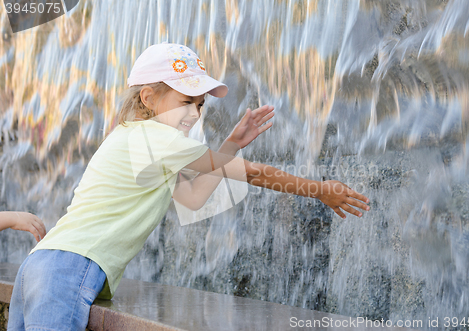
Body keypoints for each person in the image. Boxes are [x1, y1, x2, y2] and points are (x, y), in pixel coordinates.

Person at [7, 43, 370, 331]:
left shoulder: (137, 138)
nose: (195, 114)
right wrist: (319, 190)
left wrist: (229, 145)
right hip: (69, 266)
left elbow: (193, 198)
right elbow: (254, 174)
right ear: (148, 99)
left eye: (199, 105)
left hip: (41, 265)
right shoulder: (157, 140)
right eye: (185, 102)